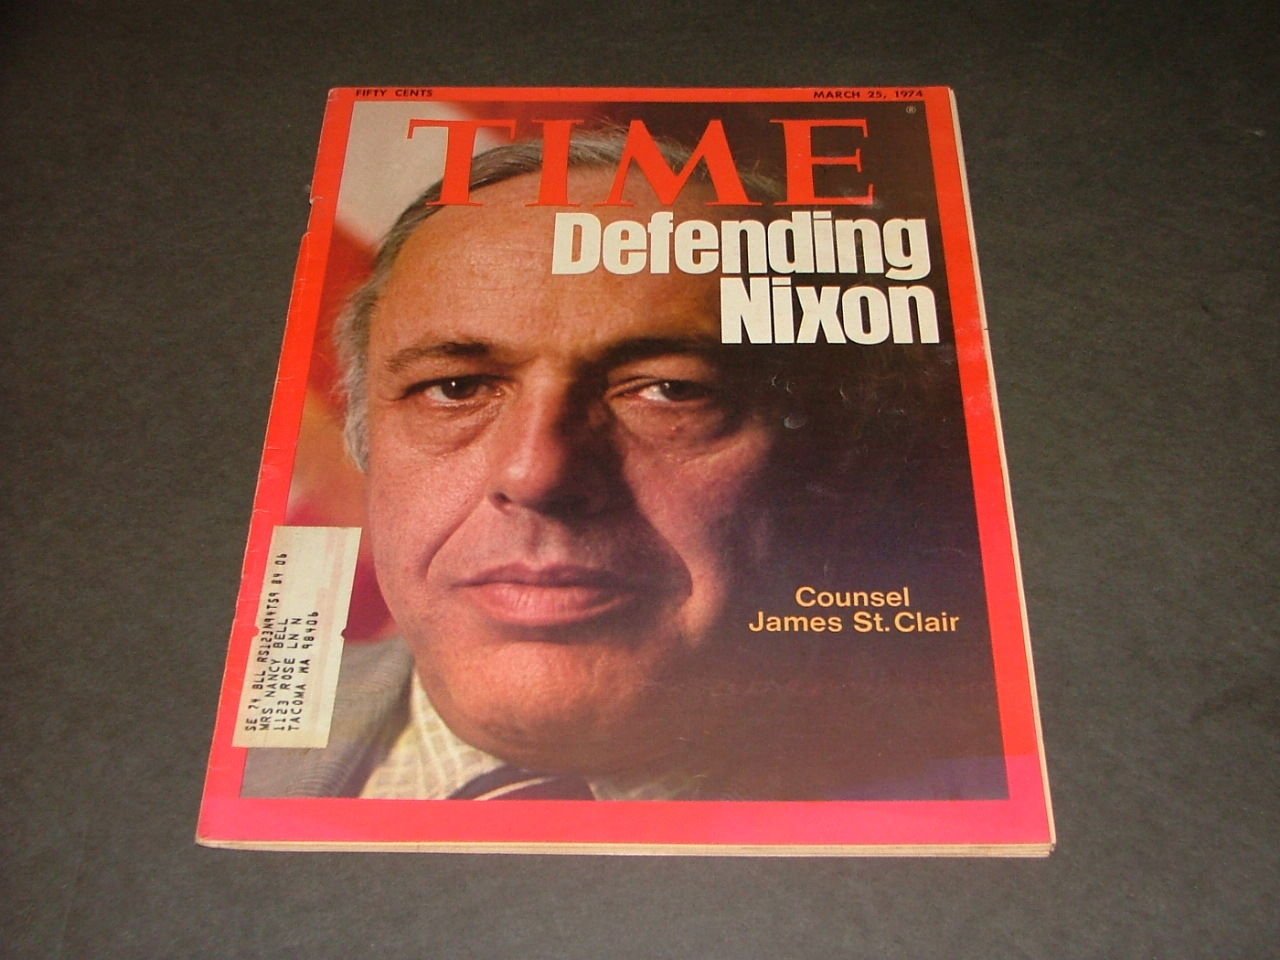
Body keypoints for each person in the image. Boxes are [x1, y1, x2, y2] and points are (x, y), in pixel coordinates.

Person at [243, 132, 1001, 800]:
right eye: (457, 389)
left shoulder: (984, 791)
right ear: (367, 442)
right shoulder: (224, 757)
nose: (538, 475)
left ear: (828, 460)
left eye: (671, 390)